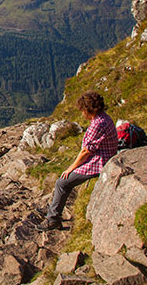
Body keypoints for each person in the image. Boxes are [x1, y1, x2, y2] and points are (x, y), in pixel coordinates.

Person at [36, 91, 118, 231]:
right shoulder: (104, 118)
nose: (82, 113)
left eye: (83, 110)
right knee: (64, 182)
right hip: (103, 156)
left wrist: (71, 168)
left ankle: (53, 219)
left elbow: (86, 151)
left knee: (62, 182)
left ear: (88, 109)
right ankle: (53, 210)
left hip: (99, 162)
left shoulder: (98, 124)